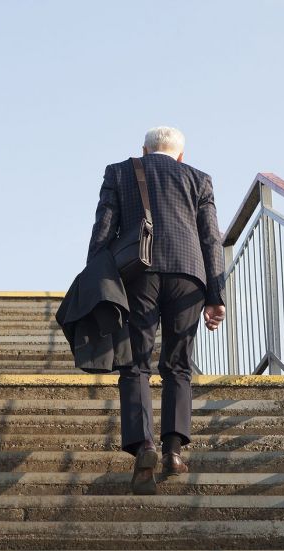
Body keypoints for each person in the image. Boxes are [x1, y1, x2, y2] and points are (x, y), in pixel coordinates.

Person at [86, 126, 226, 494]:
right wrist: (216, 294)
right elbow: (211, 238)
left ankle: (144, 445)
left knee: (135, 364)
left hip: (138, 274)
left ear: (144, 151)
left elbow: (103, 230)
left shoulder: (119, 172)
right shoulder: (199, 179)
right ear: (181, 156)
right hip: (188, 277)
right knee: (178, 364)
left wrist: (95, 282)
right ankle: (174, 451)